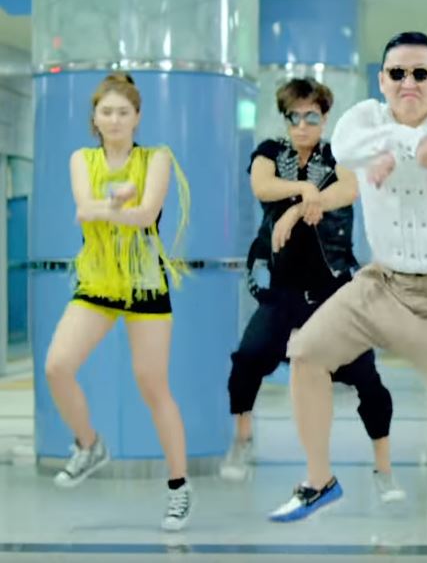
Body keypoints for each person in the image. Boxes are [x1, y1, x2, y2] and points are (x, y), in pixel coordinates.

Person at [268, 32, 427, 563]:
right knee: (305, 352)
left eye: (420, 73)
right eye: (397, 73)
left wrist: (409, 151)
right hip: (384, 284)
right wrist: (405, 145)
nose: (408, 83)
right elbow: (346, 148)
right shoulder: (362, 119)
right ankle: (319, 480)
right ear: (382, 80)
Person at [220, 78, 403, 503]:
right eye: (295, 117)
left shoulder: (338, 155)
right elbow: (262, 186)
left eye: (312, 117)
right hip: (283, 291)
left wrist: (297, 210)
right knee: (248, 359)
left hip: (332, 293)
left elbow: (348, 189)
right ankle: (242, 439)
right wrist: (304, 190)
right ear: (285, 120)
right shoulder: (270, 152)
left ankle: (384, 469)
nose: (303, 125)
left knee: (366, 379)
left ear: (324, 118)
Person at [43, 72, 194, 531]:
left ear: (137, 117)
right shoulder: (81, 158)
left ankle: (179, 488)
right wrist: (115, 204)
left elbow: (147, 214)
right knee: (57, 366)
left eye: (122, 112)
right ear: (94, 117)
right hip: (97, 278)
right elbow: (82, 208)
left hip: (145, 279)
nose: (113, 119)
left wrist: (106, 207)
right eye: (106, 111)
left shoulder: (157, 158)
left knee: (152, 385)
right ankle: (89, 445)